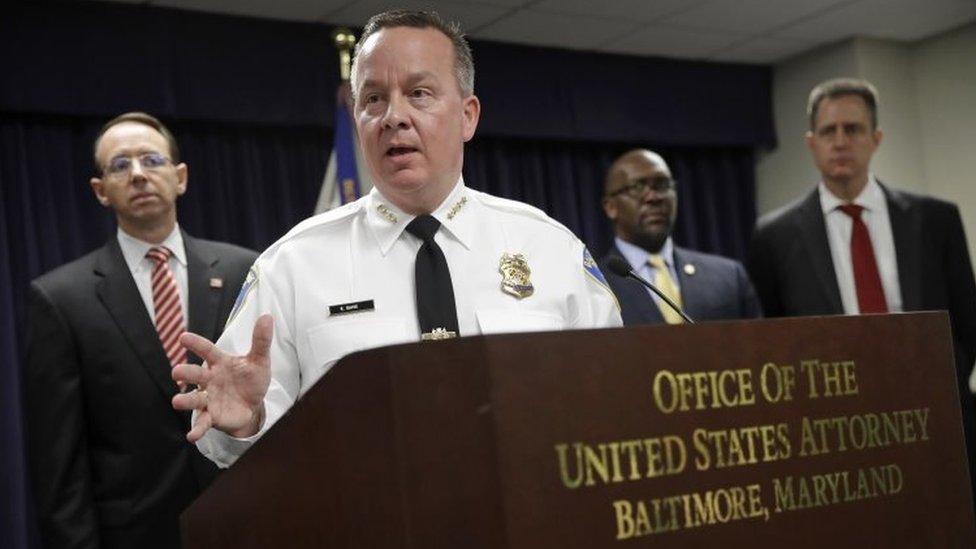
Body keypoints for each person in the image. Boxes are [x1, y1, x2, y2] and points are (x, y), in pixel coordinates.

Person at [172, 10, 622, 468]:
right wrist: (247, 422)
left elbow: (615, 403)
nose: (394, 117)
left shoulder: (551, 250)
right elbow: (233, 439)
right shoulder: (291, 265)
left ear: (468, 116)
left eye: (419, 94)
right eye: (372, 99)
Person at [26, 112, 258, 548]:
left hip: (245, 521)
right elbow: (58, 465)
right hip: (132, 535)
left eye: (152, 160)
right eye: (120, 165)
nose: (138, 174)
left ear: (180, 177)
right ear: (101, 191)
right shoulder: (60, 299)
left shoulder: (244, 270)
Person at [747, 77, 976, 499]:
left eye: (852, 129)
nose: (840, 142)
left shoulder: (936, 219)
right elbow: (772, 343)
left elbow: (967, 323)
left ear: (876, 138)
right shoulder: (773, 237)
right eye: (828, 132)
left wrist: (937, 389)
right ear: (811, 142)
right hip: (833, 436)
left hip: (938, 422)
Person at [599, 149, 760, 325]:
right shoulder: (594, 286)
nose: (653, 197)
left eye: (662, 185)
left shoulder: (729, 276)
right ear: (610, 207)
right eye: (637, 187)